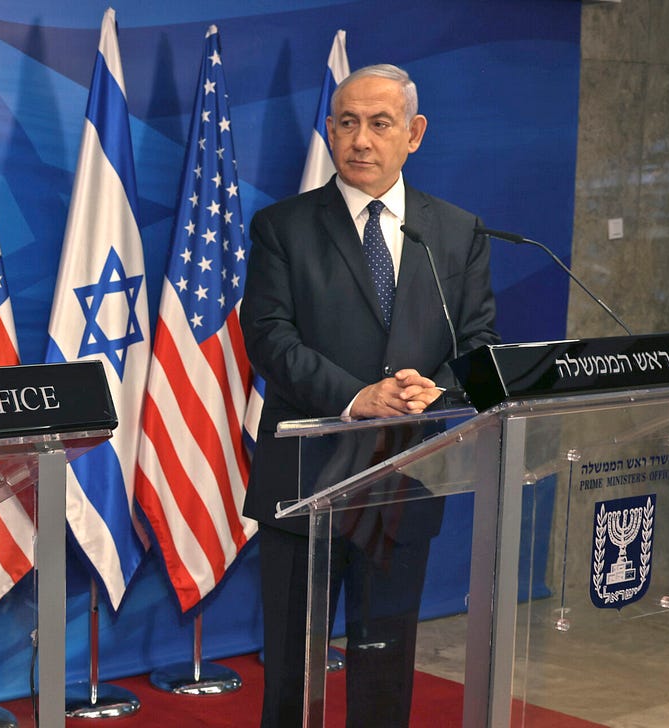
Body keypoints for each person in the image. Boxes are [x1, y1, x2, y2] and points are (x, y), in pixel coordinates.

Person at [241, 64, 498, 727]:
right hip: (305, 479)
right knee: (294, 669)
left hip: (404, 475)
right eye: (347, 123)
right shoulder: (282, 227)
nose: (361, 139)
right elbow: (269, 337)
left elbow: (477, 342)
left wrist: (435, 389)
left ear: (414, 133)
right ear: (329, 130)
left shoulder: (457, 231)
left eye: (380, 124)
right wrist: (357, 396)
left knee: (386, 662)